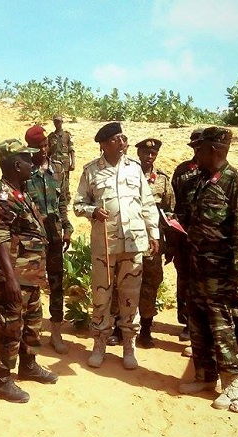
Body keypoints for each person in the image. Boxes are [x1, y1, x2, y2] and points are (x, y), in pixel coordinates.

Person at [176, 127, 238, 414]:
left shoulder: (235, 180)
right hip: (196, 266)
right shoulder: (199, 180)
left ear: (214, 150)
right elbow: (191, 218)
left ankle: (233, 387)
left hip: (221, 271)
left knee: (223, 327)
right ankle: (205, 376)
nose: (195, 154)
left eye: (199, 149)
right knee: (198, 322)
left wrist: (237, 273)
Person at [73, 122, 160, 370]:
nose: (122, 143)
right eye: (116, 139)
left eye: (123, 138)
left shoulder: (134, 169)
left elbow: (147, 204)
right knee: (101, 296)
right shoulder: (91, 170)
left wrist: (153, 233)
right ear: (103, 144)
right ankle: (99, 344)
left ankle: (129, 346)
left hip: (133, 243)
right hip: (105, 245)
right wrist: (92, 211)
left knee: (130, 295)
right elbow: (78, 205)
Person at [0, 138, 58, 403]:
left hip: (30, 273)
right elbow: (0, 241)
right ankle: (2, 380)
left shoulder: (20, 191)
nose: (32, 163)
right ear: (16, 165)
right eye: (27, 159)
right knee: (8, 326)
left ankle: (28, 365)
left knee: (32, 321)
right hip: (13, 274)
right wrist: (11, 279)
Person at [24, 125, 74, 354]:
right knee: (32, 283)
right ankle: (30, 331)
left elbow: (62, 201)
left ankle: (55, 331)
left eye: (45, 145)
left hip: (54, 234)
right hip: (33, 238)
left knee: (56, 282)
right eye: (38, 147)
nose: (43, 150)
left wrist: (67, 227)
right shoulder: (25, 171)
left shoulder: (58, 169)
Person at [133, 138, 175, 348]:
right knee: (123, 282)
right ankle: (118, 328)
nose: (149, 157)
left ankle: (146, 330)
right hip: (129, 238)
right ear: (138, 153)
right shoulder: (128, 174)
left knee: (149, 285)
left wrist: (169, 244)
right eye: (145, 153)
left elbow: (170, 212)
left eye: (153, 154)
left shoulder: (162, 179)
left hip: (152, 241)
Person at [170, 129, 205, 352]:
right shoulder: (183, 171)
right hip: (183, 235)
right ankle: (185, 321)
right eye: (195, 147)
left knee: (199, 282)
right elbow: (173, 201)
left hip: (204, 239)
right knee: (183, 279)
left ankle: (197, 325)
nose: (197, 150)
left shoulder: (213, 173)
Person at [47, 115, 75, 201]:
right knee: (55, 182)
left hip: (64, 163)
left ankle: (66, 200)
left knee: (65, 183)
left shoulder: (67, 135)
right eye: (55, 121)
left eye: (59, 121)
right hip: (54, 163)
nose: (57, 123)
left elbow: (71, 149)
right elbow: (48, 151)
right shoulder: (50, 136)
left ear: (62, 122)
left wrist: (73, 162)